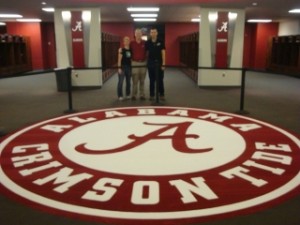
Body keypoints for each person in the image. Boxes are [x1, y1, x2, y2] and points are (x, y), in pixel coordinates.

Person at [145, 27, 166, 101]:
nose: (153, 33)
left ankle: (162, 94)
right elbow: (146, 53)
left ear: (157, 33)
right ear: (150, 33)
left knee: (160, 79)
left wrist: (163, 63)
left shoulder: (161, 41)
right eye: (152, 32)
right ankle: (151, 94)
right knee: (151, 80)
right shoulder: (148, 42)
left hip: (159, 62)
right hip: (151, 62)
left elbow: (163, 52)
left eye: (154, 32)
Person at [130, 28, 147, 100]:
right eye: (137, 33)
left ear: (142, 34)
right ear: (135, 34)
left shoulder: (145, 43)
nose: (138, 34)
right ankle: (134, 95)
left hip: (143, 63)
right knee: (135, 80)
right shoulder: (132, 43)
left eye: (140, 33)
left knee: (142, 80)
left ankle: (142, 95)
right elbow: (128, 51)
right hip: (134, 63)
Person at [117, 36, 132, 101]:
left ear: (129, 42)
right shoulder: (121, 50)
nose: (126, 41)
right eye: (125, 40)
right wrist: (119, 68)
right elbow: (119, 60)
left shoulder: (131, 50)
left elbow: (131, 59)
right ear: (123, 42)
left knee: (128, 82)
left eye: (128, 40)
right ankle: (120, 95)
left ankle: (128, 94)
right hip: (122, 67)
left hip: (129, 68)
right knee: (121, 82)